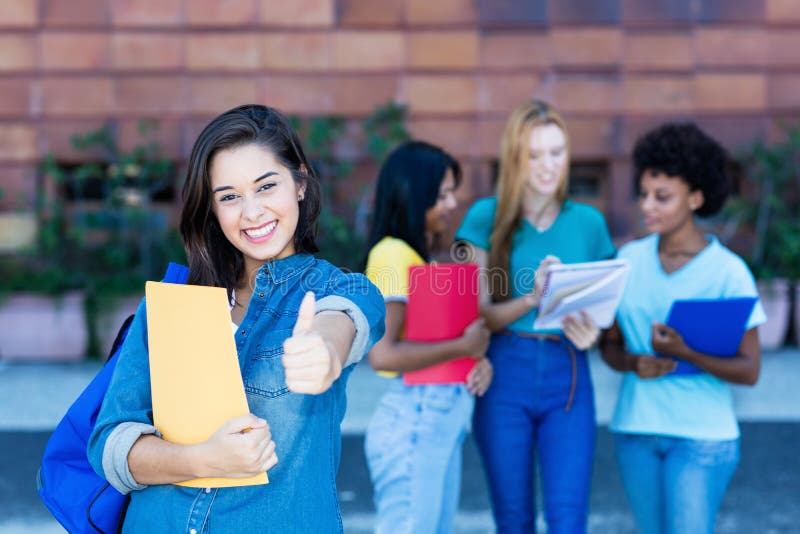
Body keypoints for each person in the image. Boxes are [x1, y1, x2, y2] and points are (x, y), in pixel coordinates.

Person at [87, 104, 386, 533]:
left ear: (300, 183)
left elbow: (344, 322)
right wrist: (202, 459)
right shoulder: (169, 305)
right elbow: (110, 445)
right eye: (229, 196)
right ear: (212, 209)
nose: (251, 212)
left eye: (266, 187)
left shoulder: (344, 290)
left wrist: (322, 352)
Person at [455, 99, 616, 533]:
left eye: (557, 152)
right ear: (515, 158)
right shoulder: (483, 217)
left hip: (569, 373)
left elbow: (605, 307)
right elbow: (476, 316)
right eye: (535, 154)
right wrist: (532, 298)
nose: (548, 166)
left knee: (568, 520)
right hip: (504, 376)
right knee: (514, 521)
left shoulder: (589, 222)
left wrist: (593, 334)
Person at [600, 123, 766, 534]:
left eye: (662, 197)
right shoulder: (628, 262)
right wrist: (634, 362)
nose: (647, 207)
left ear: (695, 198)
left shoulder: (729, 273)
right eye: (643, 195)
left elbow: (749, 370)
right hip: (636, 432)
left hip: (702, 438)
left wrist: (687, 352)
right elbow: (610, 347)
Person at [362, 140, 493, 534]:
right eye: (442, 194)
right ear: (413, 194)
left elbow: (438, 343)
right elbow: (383, 355)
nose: (452, 204)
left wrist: (475, 363)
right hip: (414, 425)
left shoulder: (418, 258)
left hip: (434, 424)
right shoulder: (392, 255)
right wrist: (464, 347)